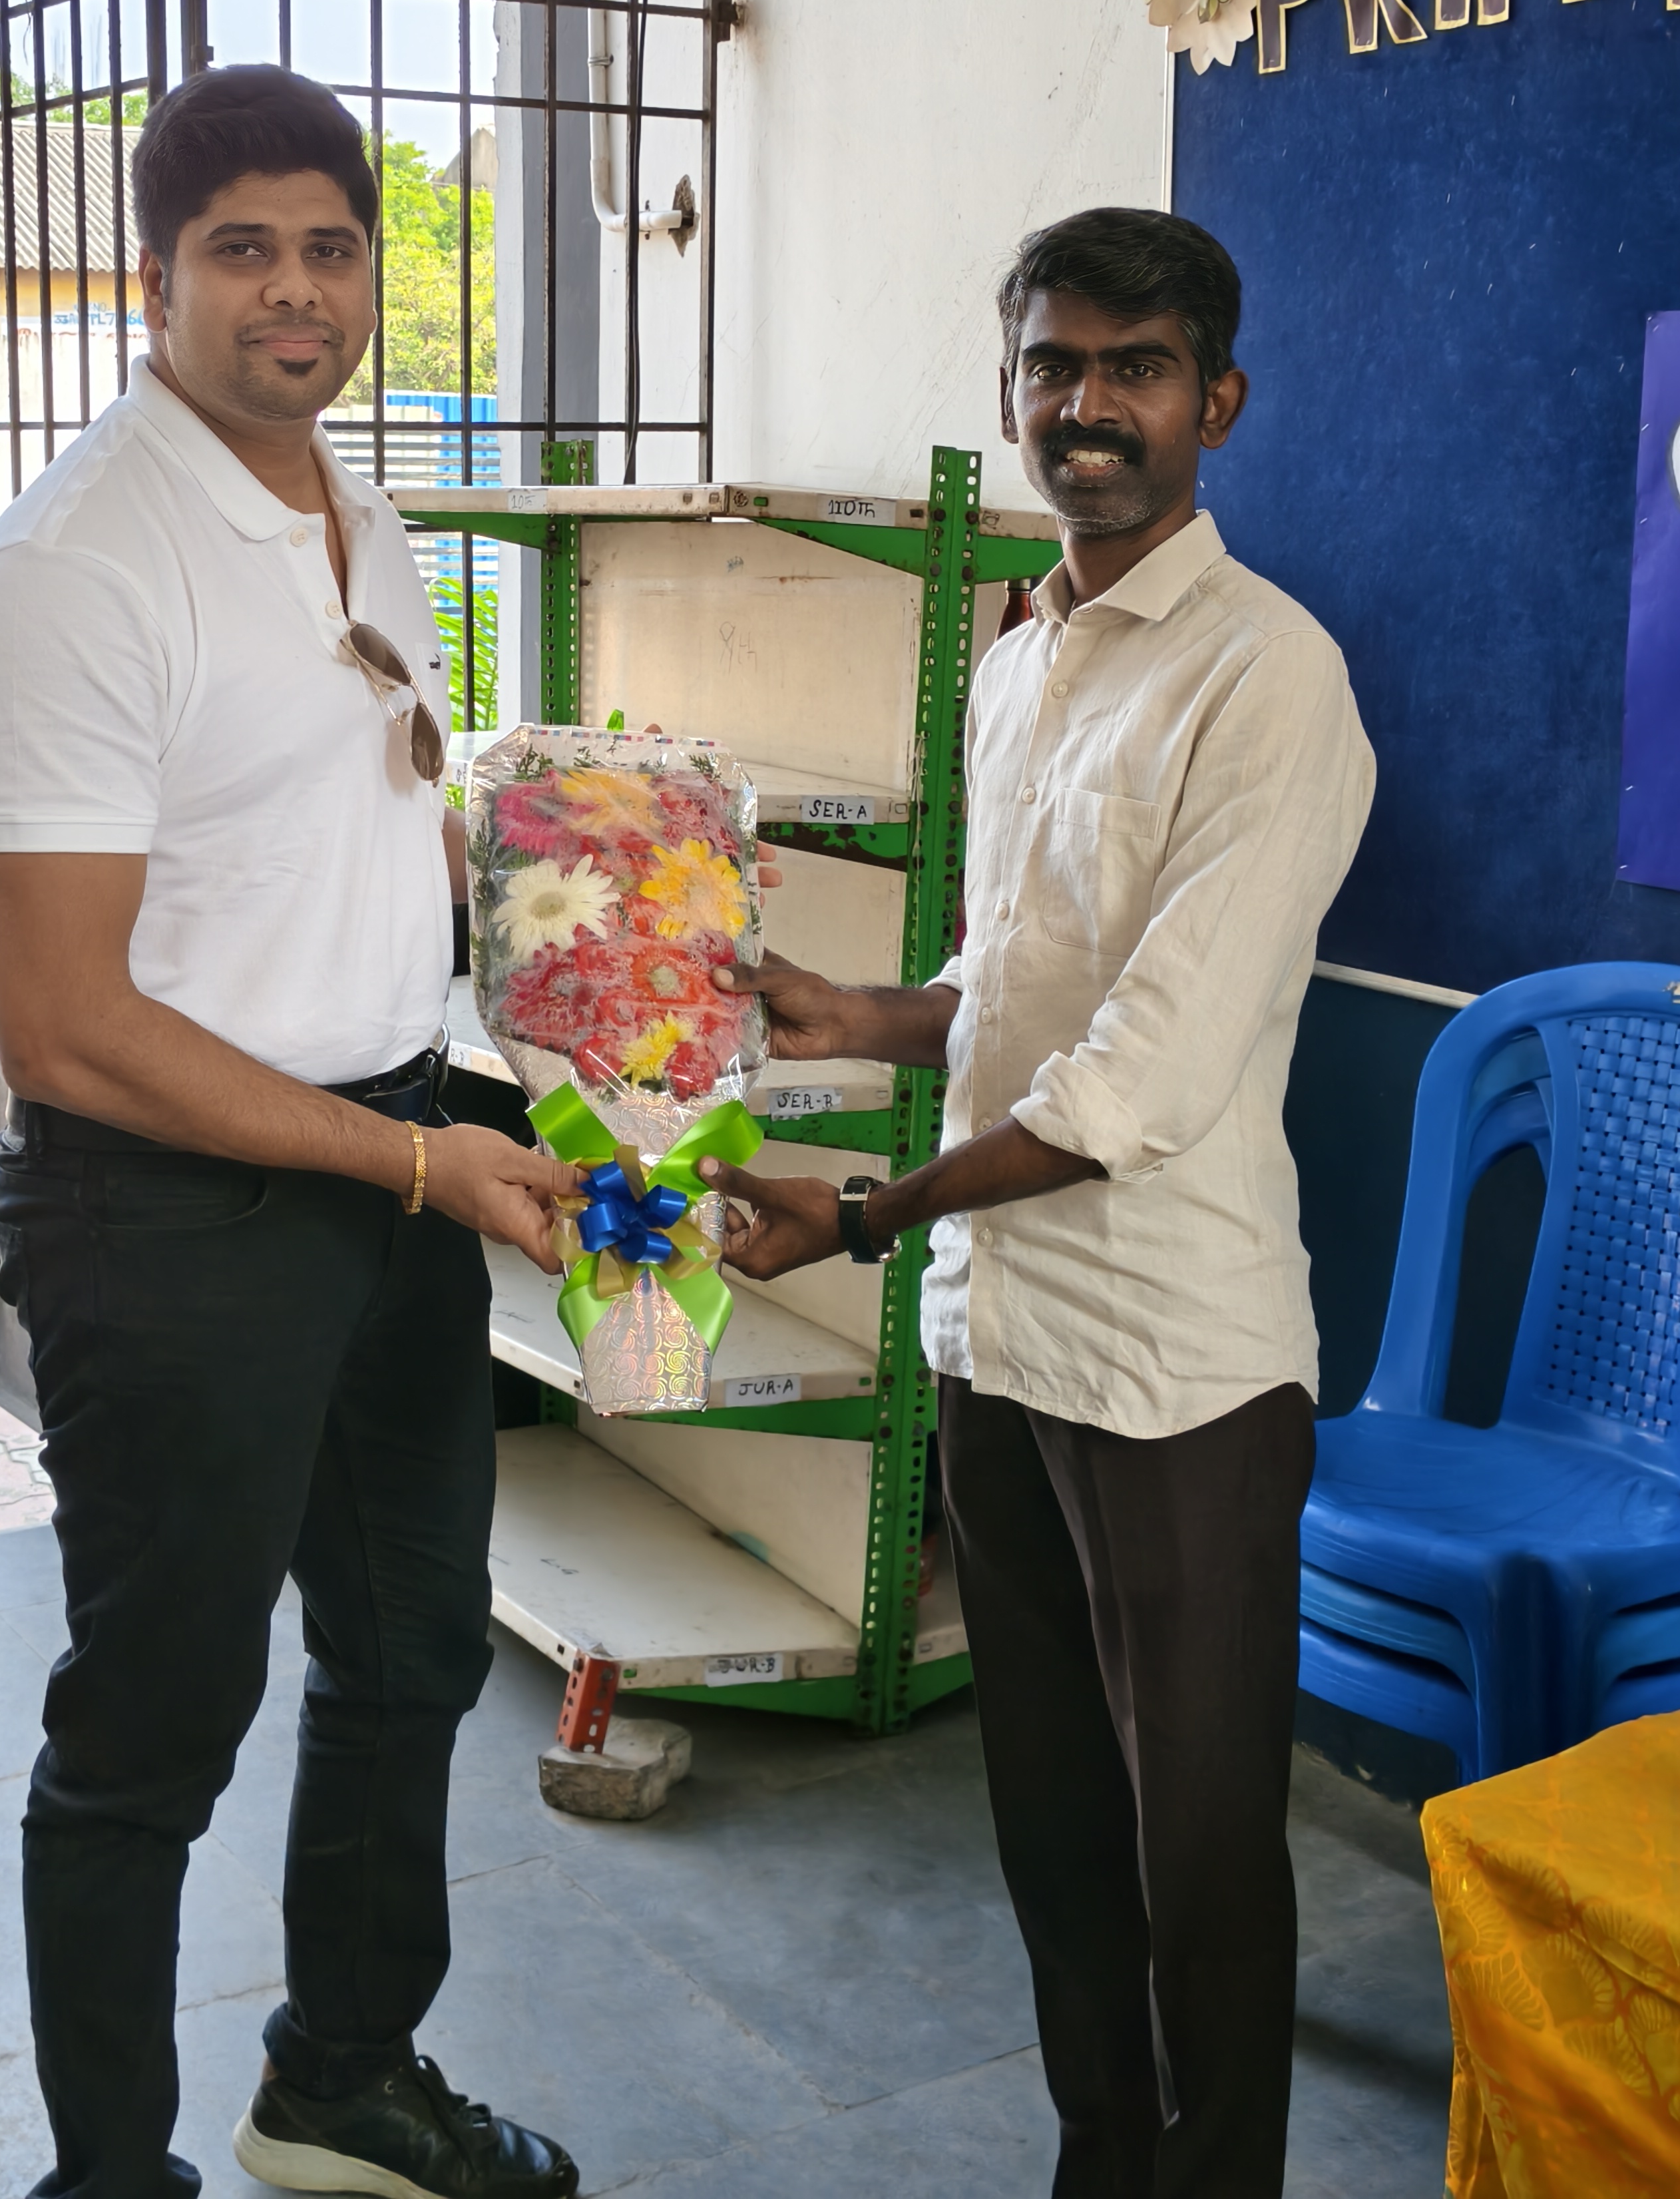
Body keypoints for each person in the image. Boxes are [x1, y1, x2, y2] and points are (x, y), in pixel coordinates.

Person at [0, 65, 585, 2199]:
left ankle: (341, 2078)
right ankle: (108, 2175)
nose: (294, 291)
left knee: (412, 1655)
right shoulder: (77, 570)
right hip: (173, 1214)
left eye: (329, 248)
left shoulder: (352, 511)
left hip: (392, 1159)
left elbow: (365, 823)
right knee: (154, 1726)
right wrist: (407, 1164)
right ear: (156, 275)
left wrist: (604, 934)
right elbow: (63, 1026)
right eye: (242, 250)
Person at [703, 208, 1375, 2199]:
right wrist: (867, 1015)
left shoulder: (1273, 683)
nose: (1089, 406)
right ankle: (1103, 2162)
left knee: (1199, 1859)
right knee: (1057, 1826)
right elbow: (1018, 977)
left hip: (1175, 1367)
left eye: (1136, 369)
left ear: (1216, 404)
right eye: (1053, 367)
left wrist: (865, 1211)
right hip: (996, 1336)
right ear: (1012, 393)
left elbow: (1138, 1077)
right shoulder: (1019, 661)